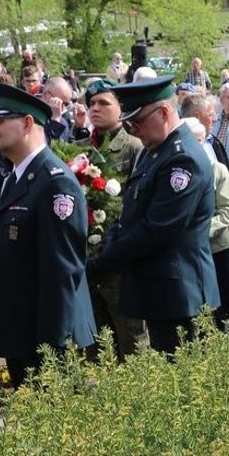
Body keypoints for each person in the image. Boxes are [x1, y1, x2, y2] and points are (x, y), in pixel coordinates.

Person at [88, 77, 220, 355]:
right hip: (160, 289)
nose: (133, 130)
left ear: (163, 113)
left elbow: (157, 230)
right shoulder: (155, 151)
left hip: (180, 295)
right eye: (129, 124)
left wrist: (102, 263)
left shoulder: (182, 159)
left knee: (184, 373)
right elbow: (131, 212)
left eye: (137, 122)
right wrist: (111, 241)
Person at [0, 82, 97, 386]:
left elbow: (63, 271)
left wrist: (53, 347)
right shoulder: (17, 176)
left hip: (45, 339)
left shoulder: (55, 183)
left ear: (27, 123)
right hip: (23, 331)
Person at [80, 78, 149, 357]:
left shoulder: (134, 147)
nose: (95, 108)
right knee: (96, 343)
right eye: (91, 104)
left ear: (120, 108)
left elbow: (139, 204)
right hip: (88, 258)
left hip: (120, 259)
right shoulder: (80, 148)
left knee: (132, 339)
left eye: (103, 103)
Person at [181, 115, 229, 326]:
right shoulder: (178, 174)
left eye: (199, 140)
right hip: (190, 251)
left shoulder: (217, 170)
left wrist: (201, 231)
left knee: (227, 298)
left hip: (216, 245)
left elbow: (228, 210)